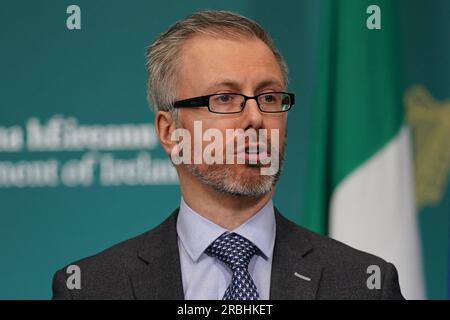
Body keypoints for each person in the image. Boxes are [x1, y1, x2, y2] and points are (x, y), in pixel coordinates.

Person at [52, 10, 404, 300]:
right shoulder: (91, 288)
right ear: (169, 132)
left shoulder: (365, 285)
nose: (255, 118)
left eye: (268, 97)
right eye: (224, 98)